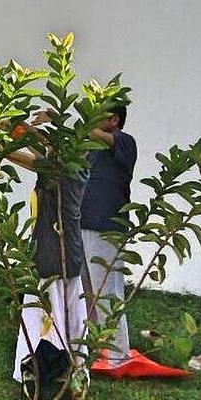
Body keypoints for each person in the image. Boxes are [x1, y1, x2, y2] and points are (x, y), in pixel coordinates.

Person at [5, 114, 90, 383]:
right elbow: (42, 146)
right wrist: (25, 127)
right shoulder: (76, 167)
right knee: (70, 315)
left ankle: (42, 367)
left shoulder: (59, 171)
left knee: (40, 313)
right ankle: (72, 364)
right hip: (69, 256)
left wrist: (1, 138)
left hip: (51, 256)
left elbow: (23, 155)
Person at [81, 106, 136, 365]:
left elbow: (91, 132)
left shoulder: (125, 142)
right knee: (86, 291)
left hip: (107, 228)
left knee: (108, 291)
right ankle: (92, 347)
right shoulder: (92, 149)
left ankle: (117, 356)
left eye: (101, 113)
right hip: (83, 223)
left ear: (115, 120)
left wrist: (65, 118)